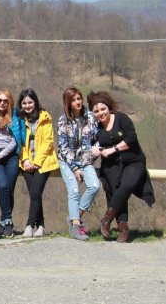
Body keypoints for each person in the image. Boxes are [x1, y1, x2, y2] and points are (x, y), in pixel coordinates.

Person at [87, 91, 155, 243]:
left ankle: (107, 219)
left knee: (127, 184)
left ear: (109, 107)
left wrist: (114, 149)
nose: (100, 113)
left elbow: (131, 139)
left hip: (133, 160)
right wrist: (93, 149)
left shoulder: (121, 118)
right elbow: (89, 145)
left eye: (103, 109)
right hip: (111, 164)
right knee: (113, 188)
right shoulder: (95, 128)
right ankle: (123, 229)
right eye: (96, 111)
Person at [57, 87, 100, 241]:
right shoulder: (63, 120)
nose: (77, 102)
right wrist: (74, 168)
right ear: (68, 103)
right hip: (67, 161)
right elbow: (63, 146)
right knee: (74, 190)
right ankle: (76, 227)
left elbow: (96, 139)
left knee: (94, 186)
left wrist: (94, 151)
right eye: (73, 100)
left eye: (79, 98)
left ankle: (75, 216)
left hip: (85, 159)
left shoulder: (90, 117)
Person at [17, 88, 58, 238]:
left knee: (35, 193)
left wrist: (36, 162)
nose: (27, 106)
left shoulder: (45, 117)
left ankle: (29, 225)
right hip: (26, 163)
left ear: (35, 102)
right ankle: (41, 226)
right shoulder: (19, 119)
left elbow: (48, 142)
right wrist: (26, 159)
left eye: (30, 102)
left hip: (43, 162)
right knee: (34, 194)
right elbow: (19, 141)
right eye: (24, 103)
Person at [0, 89, 25, 238]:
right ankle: (8, 222)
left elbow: (15, 141)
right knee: (2, 185)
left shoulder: (15, 118)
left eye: (5, 100)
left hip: (10, 157)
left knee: (9, 189)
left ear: (10, 102)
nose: (2, 103)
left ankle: (3, 222)